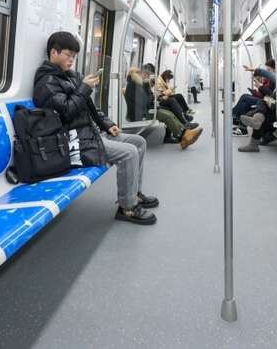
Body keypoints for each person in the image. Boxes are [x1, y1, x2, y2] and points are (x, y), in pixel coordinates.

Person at [34, 32, 158, 225]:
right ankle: (127, 207)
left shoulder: (70, 77)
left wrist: (107, 125)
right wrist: (84, 88)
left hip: (89, 133)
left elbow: (90, 107)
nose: (72, 60)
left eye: (74, 56)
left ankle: (134, 192)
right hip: (73, 141)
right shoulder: (46, 83)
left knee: (139, 142)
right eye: (68, 55)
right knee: (129, 153)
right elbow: (66, 113)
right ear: (53, 53)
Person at [124, 67, 203, 149]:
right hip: (141, 114)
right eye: (143, 74)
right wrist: (152, 96)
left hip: (145, 110)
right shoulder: (135, 86)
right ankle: (185, 135)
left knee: (170, 111)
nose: (145, 76)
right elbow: (144, 102)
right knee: (168, 116)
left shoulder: (137, 84)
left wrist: (151, 94)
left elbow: (147, 99)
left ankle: (184, 134)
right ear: (136, 74)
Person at [232, 59, 277, 134]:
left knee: (245, 98)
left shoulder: (275, 79)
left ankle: (235, 115)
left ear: (274, 69)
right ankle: (240, 124)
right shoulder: (269, 79)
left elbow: (269, 94)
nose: (267, 72)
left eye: (269, 70)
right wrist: (258, 89)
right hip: (265, 98)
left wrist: (260, 87)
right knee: (244, 103)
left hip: (266, 99)